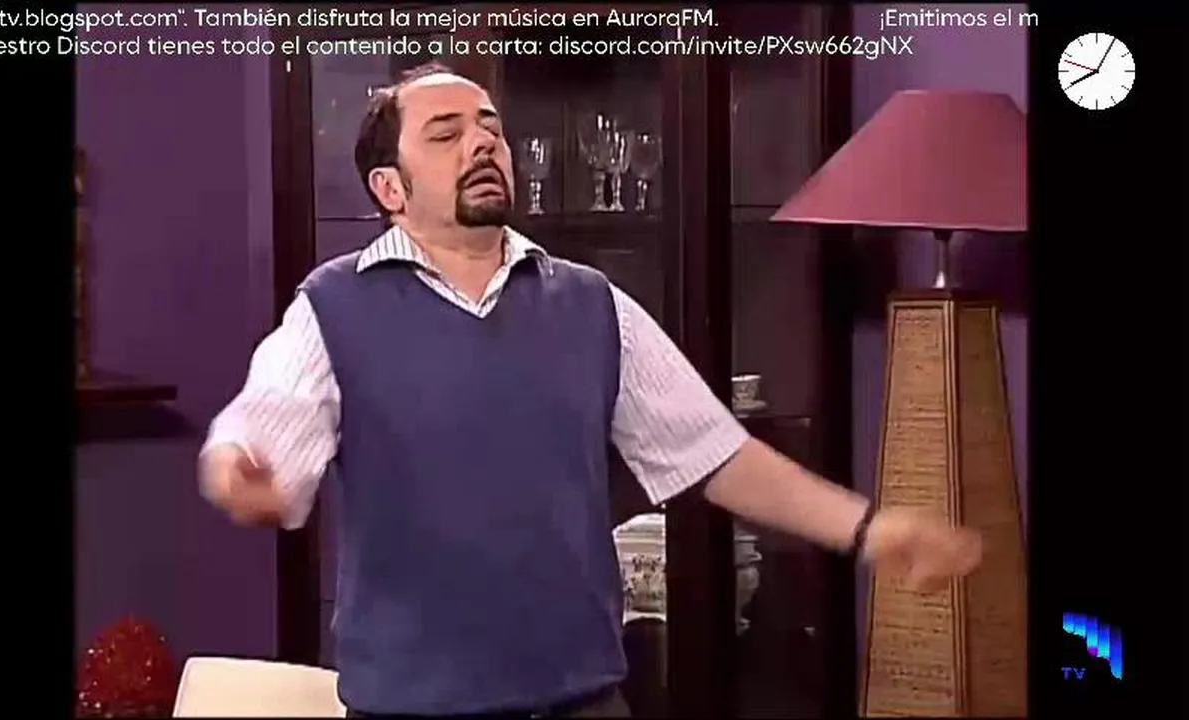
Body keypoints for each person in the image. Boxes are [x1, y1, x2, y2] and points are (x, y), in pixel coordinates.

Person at [199, 63, 982, 718]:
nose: (482, 143)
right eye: (445, 134)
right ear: (390, 188)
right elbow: (259, 437)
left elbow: (717, 456)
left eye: (491, 128)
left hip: (582, 701)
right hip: (414, 707)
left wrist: (868, 529)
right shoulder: (333, 308)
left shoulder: (591, 303)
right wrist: (240, 473)